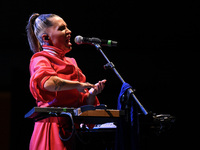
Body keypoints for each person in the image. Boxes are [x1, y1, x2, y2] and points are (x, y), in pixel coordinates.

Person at [26, 13, 107, 150]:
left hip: (71, 131)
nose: (69, 31)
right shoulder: (40, 59)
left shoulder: (71, 62)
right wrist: (79, 85)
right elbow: (48, 83)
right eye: (62, 28)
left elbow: (81, 101)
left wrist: (92, 94)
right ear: (46, 38)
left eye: (67, 27)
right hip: (52, 129)